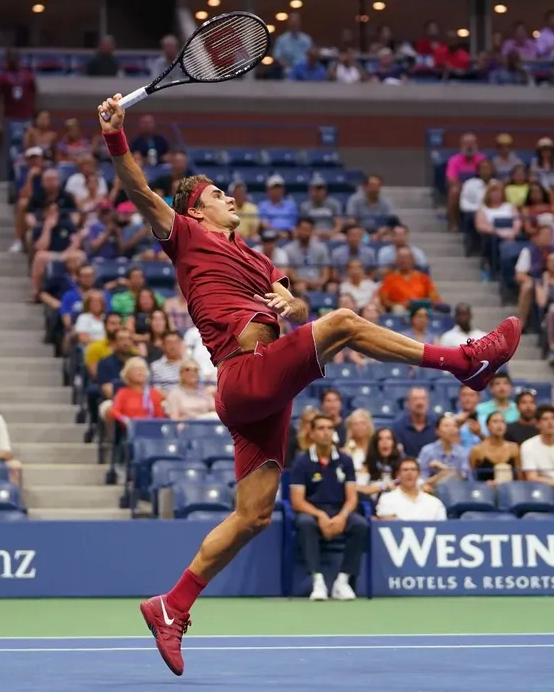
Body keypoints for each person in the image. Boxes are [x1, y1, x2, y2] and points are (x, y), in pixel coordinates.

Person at [96, 93, 521, 676]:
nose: (231, 197)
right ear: (195, 212)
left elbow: (296, 308)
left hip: (261, 397)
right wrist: (116, 136)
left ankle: (172, 606)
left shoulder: (259, 259)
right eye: (219, 195)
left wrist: (293, 302)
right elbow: (140, 191)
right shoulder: (185, 238)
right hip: (245, 379)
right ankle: (465, 362)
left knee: (253, 516)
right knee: (345, 323)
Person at [289, 413, 367, 601]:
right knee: (305, 524)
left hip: (340, 511)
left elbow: (352, 497)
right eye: (321, 429)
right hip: (312, 511)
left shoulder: (345, 460)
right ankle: (318, 581)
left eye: (329, 428)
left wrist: (342, 516)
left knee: (360, 525)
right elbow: (297, 501)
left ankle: (343, 581)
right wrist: (321, 516)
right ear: (312, 433)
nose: (326, 433)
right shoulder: (302, 461)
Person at [375, 457, 447, 520]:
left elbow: (443, 528)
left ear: (419, 474)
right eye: (405, 470)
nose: (409, 473)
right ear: (398, 475)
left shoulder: (434, 503)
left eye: (413, 469)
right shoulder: (387, 499)